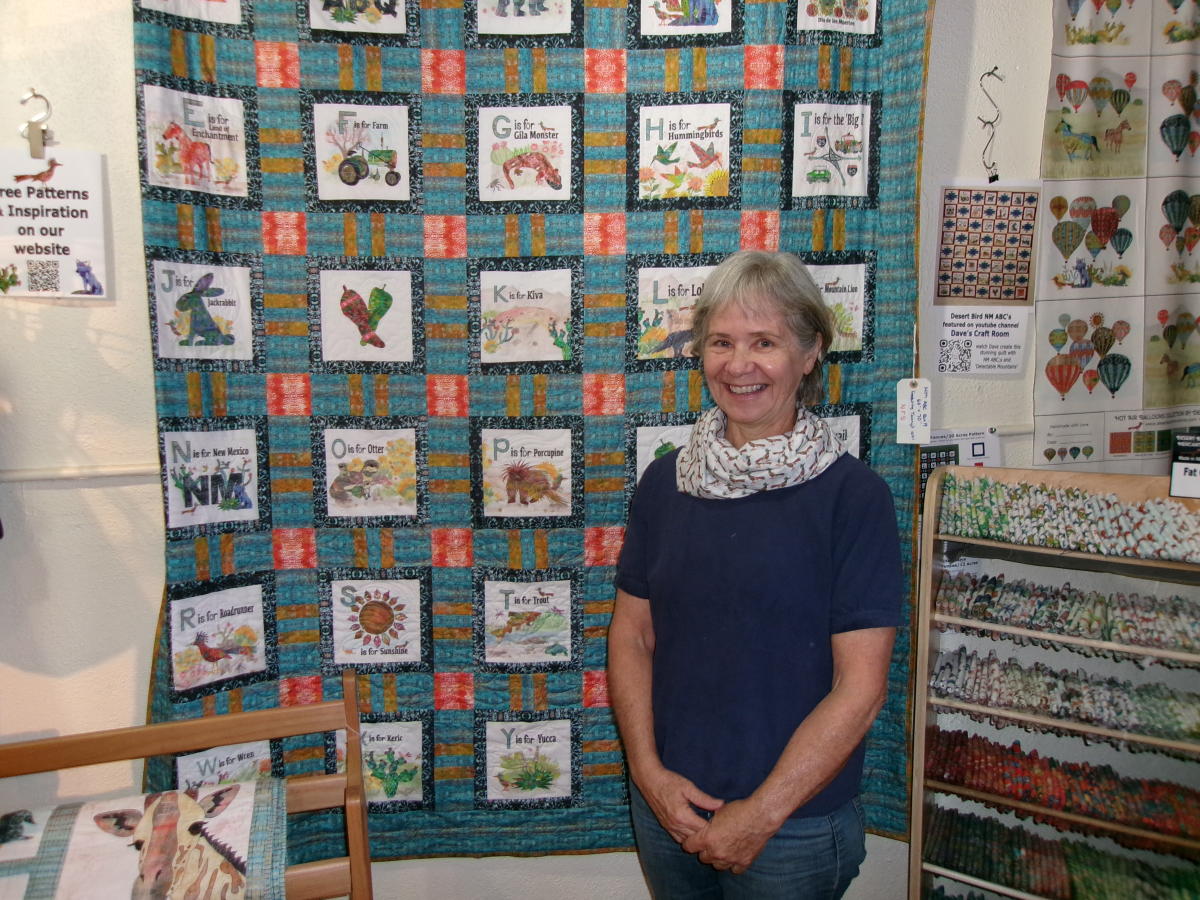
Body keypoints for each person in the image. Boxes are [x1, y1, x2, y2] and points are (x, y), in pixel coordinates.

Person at [608, 250, 902, 899]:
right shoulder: (665, 485)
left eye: (764, 342)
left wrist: (761, 814)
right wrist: (650, 776)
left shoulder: (852, 499)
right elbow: (631, 637)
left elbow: (862, 689)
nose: (738, 365)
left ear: (810, 353)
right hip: (668, 809)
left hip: (793, 828)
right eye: (721, 342)